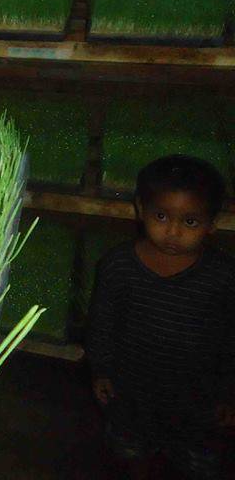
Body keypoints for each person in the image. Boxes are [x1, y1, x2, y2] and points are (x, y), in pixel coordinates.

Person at [88, 155, 235, 479]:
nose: (173, 231)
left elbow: (230, 338)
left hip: (199, 398)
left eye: (190, 222)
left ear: (212, 222)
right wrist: (101, 370)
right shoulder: (118, 265)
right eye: (161, 216)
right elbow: (101, 324)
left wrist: (229, 392)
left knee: (197, 460)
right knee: (131, 454)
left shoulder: (224, 276)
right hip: (132, 391)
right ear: (141, 210)